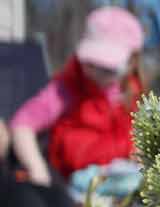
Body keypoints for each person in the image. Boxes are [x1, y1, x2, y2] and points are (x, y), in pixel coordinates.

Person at [9, 5, 145, 184]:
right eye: (90, 63)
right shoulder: (66, 89)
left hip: (121, 184)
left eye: (107, 68)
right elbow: (22, 123)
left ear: (131, 63)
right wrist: (37, 170)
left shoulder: (133, 95)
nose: (96, 72)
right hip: (74, 184)